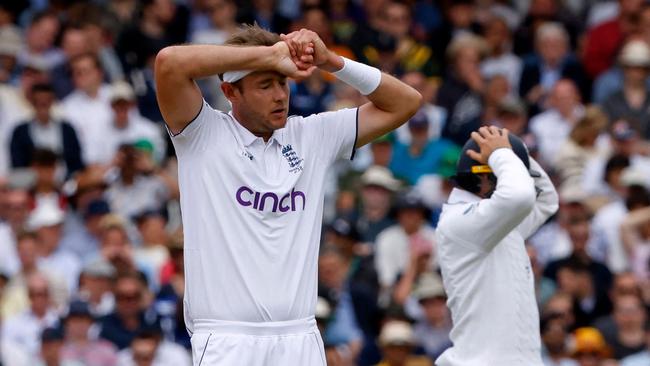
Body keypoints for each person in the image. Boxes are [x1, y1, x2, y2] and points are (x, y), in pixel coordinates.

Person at [154, 23, 421, 365]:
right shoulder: (202, 134)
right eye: (265, 85)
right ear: (230, 92)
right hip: (228, 340)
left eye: (283, 81)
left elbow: (405, 103)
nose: (280, 95)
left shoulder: (311, 136)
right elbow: (169, 63)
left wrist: (332, 62)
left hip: (302, 338)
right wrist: (271, 54)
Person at [435, 127, 559, 365]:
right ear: (484, 178)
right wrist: (502, 153)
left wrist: (509, 149)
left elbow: (546, 200)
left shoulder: (496, 224)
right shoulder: (461, 223)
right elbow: (520, 196)